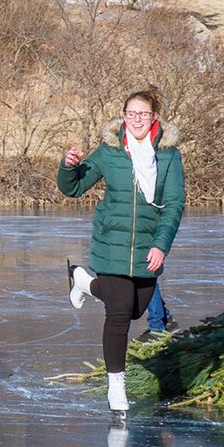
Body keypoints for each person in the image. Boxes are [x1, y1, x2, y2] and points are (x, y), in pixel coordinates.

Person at [59, 88, 186, 418]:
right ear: (124, 116)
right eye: (132, 114)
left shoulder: (169, 155)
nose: (137, 120)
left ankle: (82, 281)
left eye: (144, 114)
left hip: (147, 245)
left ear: (154, 117)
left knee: (135, 310)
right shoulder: (110, 150)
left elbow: (173, 204)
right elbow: (72, 187)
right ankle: (117, 386)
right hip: (110, 243)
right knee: (117, 312)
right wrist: (69, 167)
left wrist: (161, 244)